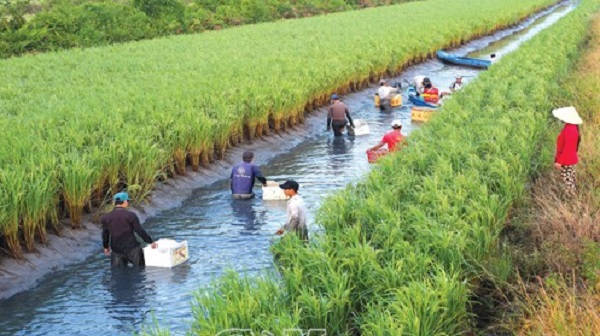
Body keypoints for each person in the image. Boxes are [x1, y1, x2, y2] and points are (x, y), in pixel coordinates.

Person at [101, 192, 157, 268]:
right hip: (133, 248)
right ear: (124, 202)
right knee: (139, 271)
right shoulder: (131, 215)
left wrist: (106, 247)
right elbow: (139, 231)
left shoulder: (106, 217)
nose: (128, 203)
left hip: (116, 250)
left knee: (118, 275)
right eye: (128, 201)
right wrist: (150, 241)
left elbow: (105, 234)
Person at [552, 106, 582, 196]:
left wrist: (560, 162)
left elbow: (568, 148)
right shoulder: (571, 127)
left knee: (567, 180)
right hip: (569, 158)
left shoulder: (570, 129)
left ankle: (571, 198)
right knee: (570, 178)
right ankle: (572, 196)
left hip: (567, 159)